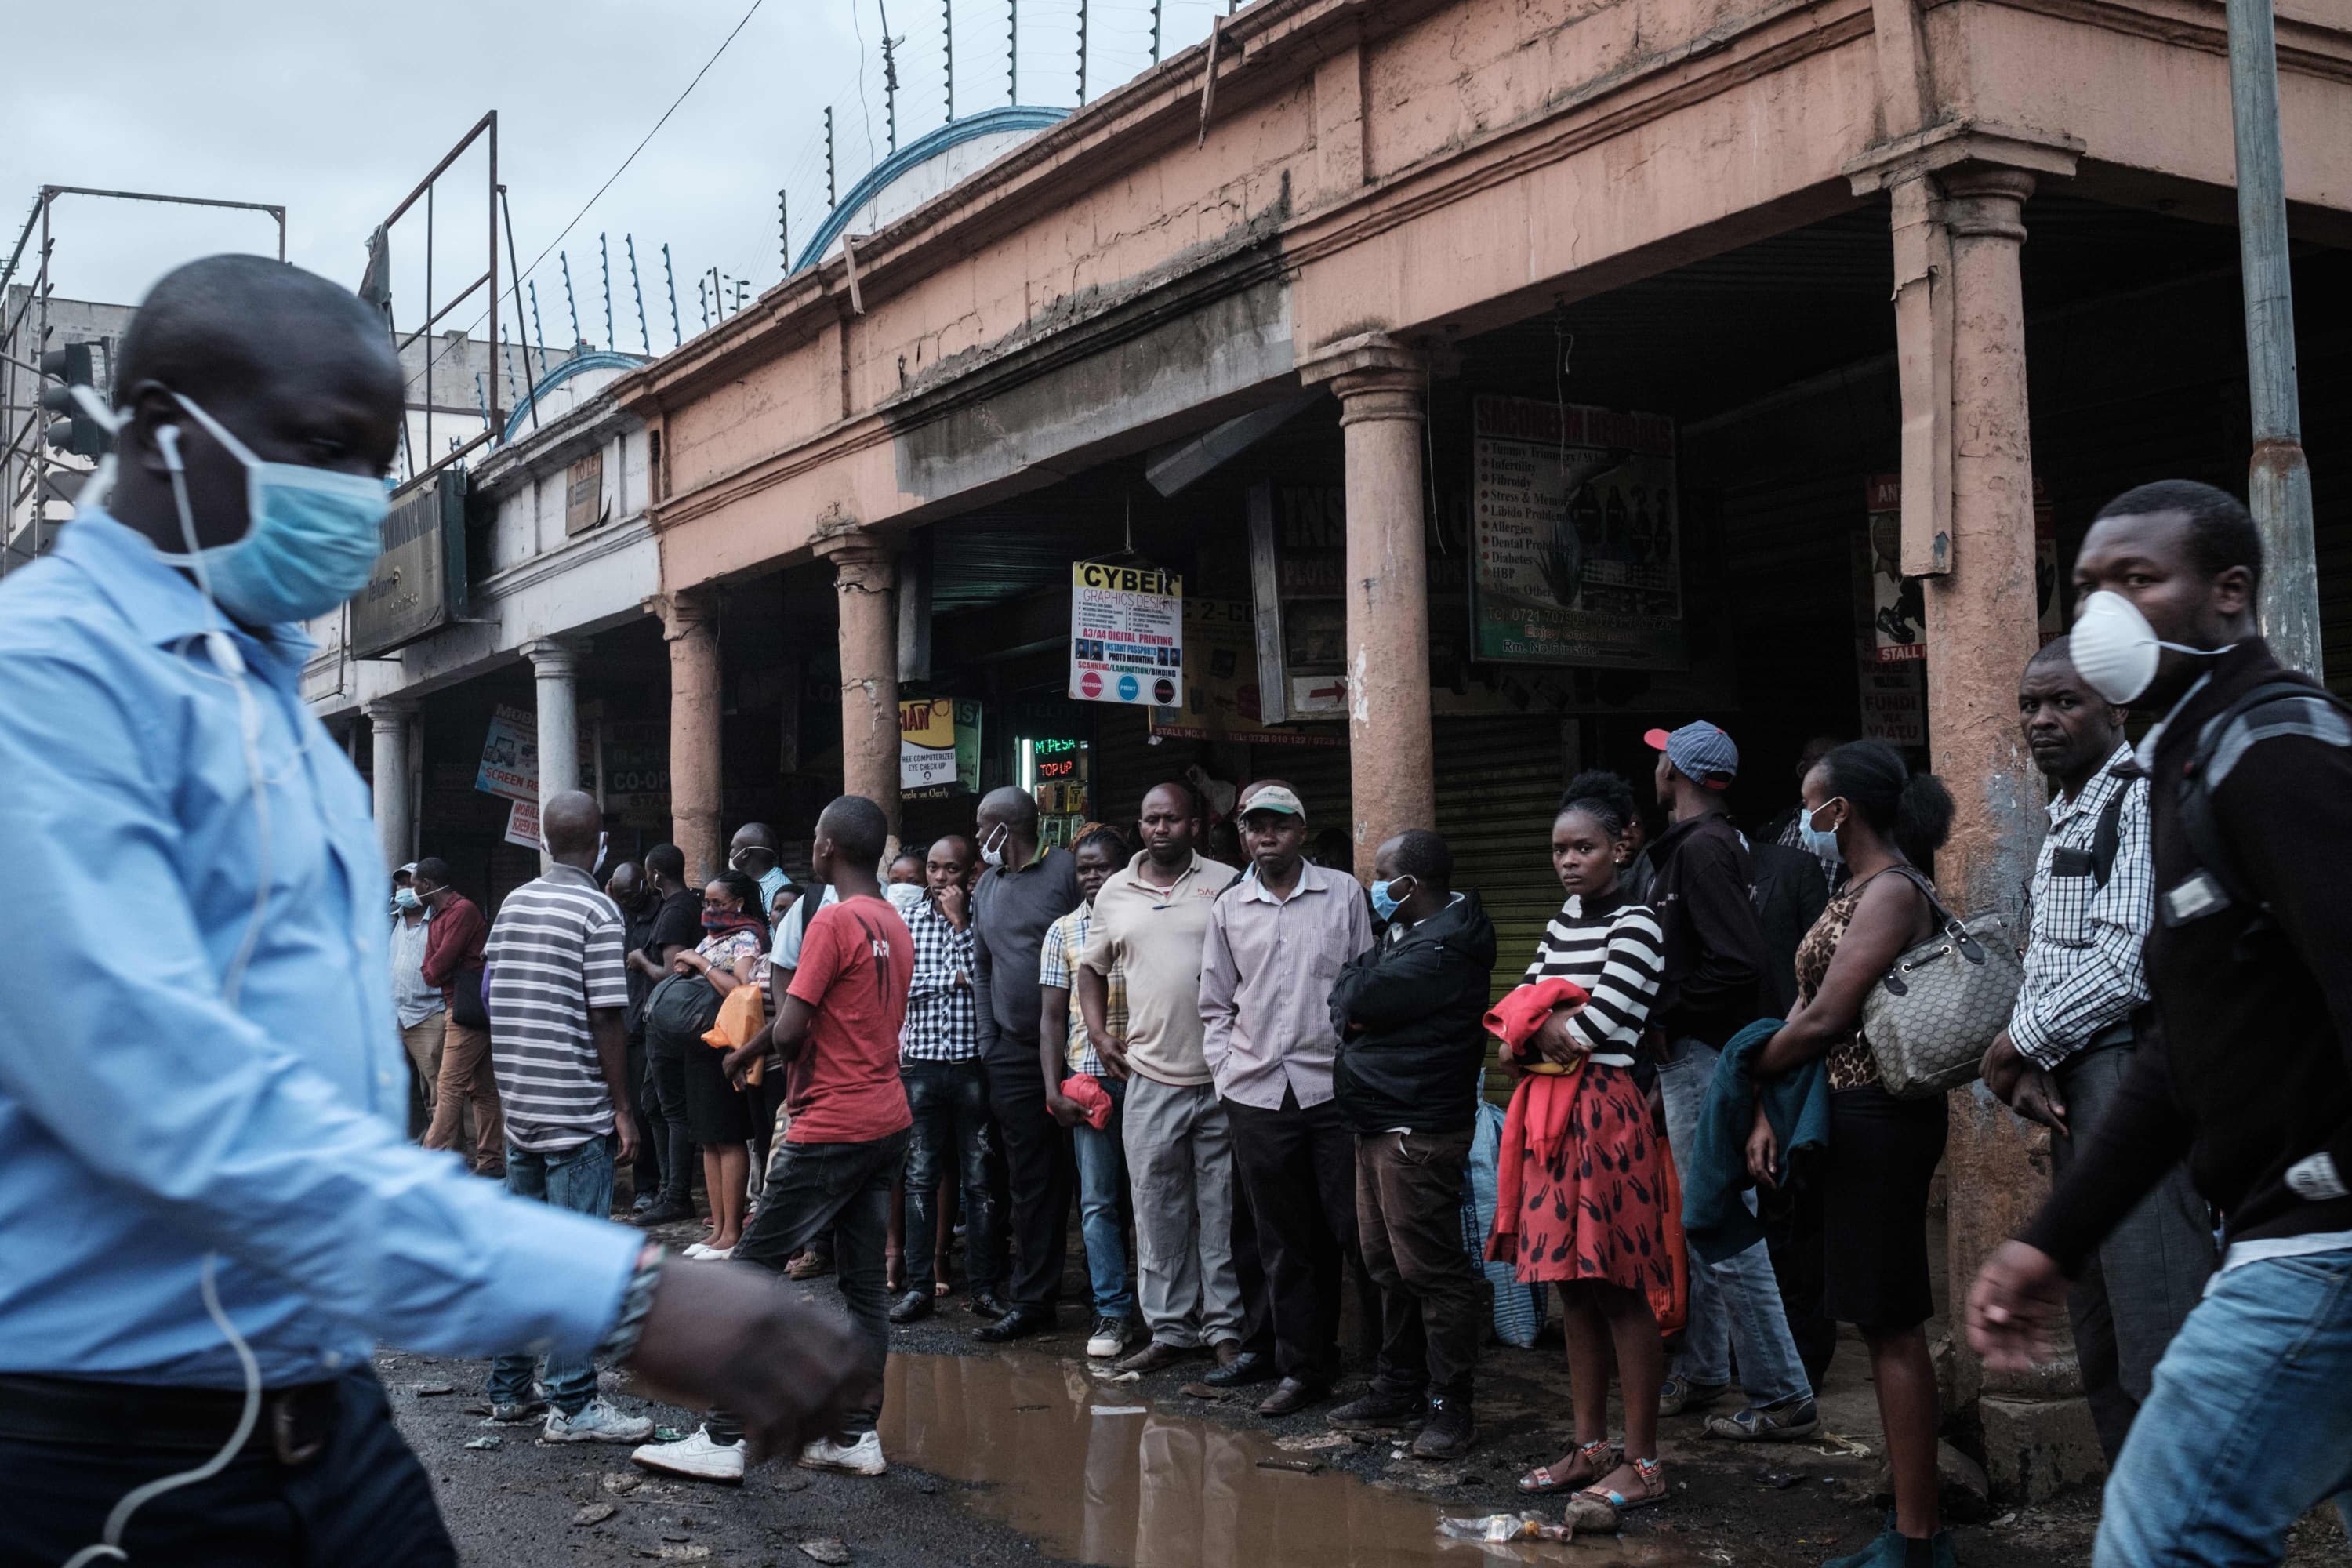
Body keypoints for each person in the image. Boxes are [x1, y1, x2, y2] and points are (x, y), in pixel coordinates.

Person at [0, 254, 861, 1564]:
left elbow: (330, 1106)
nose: (359, 502)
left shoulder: (272, 711)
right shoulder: (42, 687)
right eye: (324, 452)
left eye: (378, 461)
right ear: (170, 436)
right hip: (107, 1448)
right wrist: (624, 1295)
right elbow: (175, 1105)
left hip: (321, 1412)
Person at [1971, 481, 2352, 1567]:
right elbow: (2189, 1043)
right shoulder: (2192, 765)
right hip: (2286, 1232)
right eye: (2093, 584)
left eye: (2139, 580)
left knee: (2162, 1540)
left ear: (2229, 596)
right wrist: (2052, 1239)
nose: (2107, 611)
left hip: (2319, 1244)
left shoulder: (2275, 750)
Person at [1977, 637, 2212, 1464]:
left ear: (2116, 705)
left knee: (2157, 1313)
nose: (2041, 719)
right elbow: (2055, 956)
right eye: (2030, 705)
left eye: (2064, 702)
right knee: (2102, 1327)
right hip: (2078, 1078)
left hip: (2129, 1073)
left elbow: (2126, 961)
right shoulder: (2070, 808)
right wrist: (2036, 1055)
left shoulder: (2141, 798)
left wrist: (2017, 1042)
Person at [638, 796, 916, 1485]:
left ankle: (723, 1437)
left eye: (816, 839)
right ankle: (854, 1436)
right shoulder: (893, 920)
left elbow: (792, 1028)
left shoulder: (832, 922)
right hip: (886, 1119)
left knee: (749, 1273)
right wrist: (746, 1052)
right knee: (863, 1290)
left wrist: (745, 1051)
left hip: (832, 1124)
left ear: (826, 847)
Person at [1748, 739, 1955, 1568]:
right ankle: (1910, 1526)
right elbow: (1806, 1002)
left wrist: (1745, 1066)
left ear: (1844, 810)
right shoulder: (1852, 886)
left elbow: (1829, 1014)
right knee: (1876, 1318)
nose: (1804, 821)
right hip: (1840, 1112)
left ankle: (1918, 1538)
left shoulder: (1895, 890)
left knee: (1892, 1320)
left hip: (1880, 1117)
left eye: (1811, 804)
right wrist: (1767, 1106)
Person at [1494, 772, 1671, 1515]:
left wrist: (1540, 1026)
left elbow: (1585, 1033)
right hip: (1548, 1116)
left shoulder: (1640, 924)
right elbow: (1514, 1024)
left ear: (1619, 848)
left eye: (1584, 847)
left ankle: (1644, 1460)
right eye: (1560, 849)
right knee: (1571, 1285)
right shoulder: (1566, 918)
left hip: (1605, 1113)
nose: (1569, 861)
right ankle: (1591, 1444)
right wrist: (1539, 1027)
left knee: (1621, 1288)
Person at [1642, 721, 1818, 1440]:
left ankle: (1783, 1393)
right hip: (1705, 1056)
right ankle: (1708, 1367)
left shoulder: (1705, 851)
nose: (1653, 766)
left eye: (1661, 757)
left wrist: (1665, 1007)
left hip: (1705, 1055)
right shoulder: (1711, 845)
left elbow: (1738, 963)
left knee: (1720, 1219)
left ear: (1677, 772)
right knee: (1704, 1215)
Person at [479, 791, 655, 1444]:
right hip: (576, 1109)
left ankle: (507, 1389)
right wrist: (622, 1107)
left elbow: (493, 991)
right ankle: (574, 1405)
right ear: (599, 841)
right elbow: (608, 1013)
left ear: (547, 841)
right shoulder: (599, 910)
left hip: (522, 1102)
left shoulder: (515, 902)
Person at [1198, 782, 1374, 1417]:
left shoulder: (1342, 894)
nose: (1265, 835)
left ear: (1301, 831)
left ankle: (1382, 1368)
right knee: (1280, 1237)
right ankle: (1302, 1370)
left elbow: (1364, 983)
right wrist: (1226, 1073)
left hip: (1330, 1089)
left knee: (1351, 1230)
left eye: (1278, 825)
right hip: (1257, 1093)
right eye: (1254, 826)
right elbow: (1215, 1003)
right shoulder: (1229, 907)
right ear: (1243, 835)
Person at [1327, 829, 1497, 1459]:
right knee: (1387, 1264)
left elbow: (1357, 996)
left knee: (1432, 1271)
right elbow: (1350, 994)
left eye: (1381, 874)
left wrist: (1357, 1002)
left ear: (1411, 884)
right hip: (1378, 1122)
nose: (1375, 884)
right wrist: (1356, 1001)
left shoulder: (1448, 948)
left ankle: (1452, 1406)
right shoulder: (1402, 937)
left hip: (1418, 1129)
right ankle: (1399, 1384)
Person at [1080, 782, 1246, 1375]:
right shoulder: (1115, 893)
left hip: (1222, 1077)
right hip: (1149, 1076)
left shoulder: (1226, 881)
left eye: (1171, 820)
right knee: (1155, 1210)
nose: (1160, 829)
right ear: (1139, 826)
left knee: (1219, 1209)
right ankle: (1171, 1331)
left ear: (1194, 825)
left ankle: (1224, 1330)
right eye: (1150, 819)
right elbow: (1090, 971)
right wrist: (1100, 1037)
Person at [969, 786, 1083, 1341]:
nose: (975, 840)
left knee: (1097, 1176)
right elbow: (983, 963)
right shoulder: (987, 886)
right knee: (1029, 1178)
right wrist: (989, 1040)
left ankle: (1113, 1293)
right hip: (1011, 1054)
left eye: (980, 828)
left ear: (1005, 829)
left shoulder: (1064, 871)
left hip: (1075, 1051)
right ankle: (1034, 1297)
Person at [1040, 824, 1141, 1362]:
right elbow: (1051, 1018)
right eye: (1085, 868)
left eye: (1104, 866)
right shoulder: (1063, 932)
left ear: (1126, 868)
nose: (1094, 876)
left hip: (1153, 1077)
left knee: (1155, 1201)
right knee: (1099, 1203)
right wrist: (1052, 1087)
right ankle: (1113, 1310)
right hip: (1090, 1082)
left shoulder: (1146, 920)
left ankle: (1170, 1311)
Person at [890, 834, 1000, 1326]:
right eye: (932, 869)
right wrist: (953, 980)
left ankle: (985, 1289)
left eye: (949, 870)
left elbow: (992, 982)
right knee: (919, 1177)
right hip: (921, 1067)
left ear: (969, 873)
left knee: (981, 1181)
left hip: (973, 1066)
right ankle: (918, 1289)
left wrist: (960, 929)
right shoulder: (906, 922)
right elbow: (900, 988)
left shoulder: (984, 922)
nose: (938, 879)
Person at [655, 869, 770, 1259]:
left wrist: (701, 966)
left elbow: (742, 989)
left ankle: (732, 1233)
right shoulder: (712, 938)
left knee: (728, 1136)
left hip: (727, 1047)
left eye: (717, 904)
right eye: (707, 902)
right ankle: (717, 1230)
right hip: (699, 1046)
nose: (709, 909)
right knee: (707, 1138)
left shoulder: (747, 937)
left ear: (738, 904)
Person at [630, 842, 706, 1227]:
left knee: (669, 1108)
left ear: (656, 875)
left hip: (669, 1023)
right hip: (665, 1022)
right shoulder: (683, 906)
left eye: (647, 872)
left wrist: (641, 960)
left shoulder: (676, 911)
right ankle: (669, 1189)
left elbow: (673, 971)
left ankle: (676, 1194)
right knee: (653, 1103)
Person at [416, 856, 504, 1176]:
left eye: (415, 887)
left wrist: (439, 969)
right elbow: (431, 969)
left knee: (449, 1084)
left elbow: (437, 966)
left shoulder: (462, 911)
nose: (413, 893)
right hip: (462, 1005)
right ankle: (491, 1160)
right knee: (481, 1087)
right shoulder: (438, 917)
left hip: (467, 1009)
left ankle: (431, 1158)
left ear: (427, 885)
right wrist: (438, 969)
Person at [608, 859, 668, 1214]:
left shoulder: (661, 914)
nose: (628, 900)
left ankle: (650, 1185)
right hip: (622, 1023)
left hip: (649, 1025)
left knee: (649, 1111)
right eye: (621, 895)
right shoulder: (615, 914)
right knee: (624, 1105)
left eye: (632, 894)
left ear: (646, 885)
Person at [390, 861, 445, 1139]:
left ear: (424, 887)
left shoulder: (438, 921)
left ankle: (448, 1152)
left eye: (410, 884)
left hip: (428, 1016)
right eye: (401, 884)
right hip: (395, 1016)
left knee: (437, 1091)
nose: (404, 889)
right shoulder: (393, 920)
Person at [731, 821, 789, 914]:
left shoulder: (779, 889)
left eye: (733, 848)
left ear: (745, 853)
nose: (731, 854)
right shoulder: (746, 884)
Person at [885, 849, 928, 920]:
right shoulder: (877, 916)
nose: (902, 889)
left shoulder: (934, 920)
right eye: (895, 882)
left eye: (912, 882)